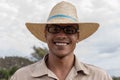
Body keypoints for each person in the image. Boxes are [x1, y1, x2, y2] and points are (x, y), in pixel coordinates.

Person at [10, 1, 112, 80]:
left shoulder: (99, 76)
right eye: (55, 29)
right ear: (45, 34)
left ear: (78, 36)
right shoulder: (21, 76)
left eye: (69, 30)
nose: (61, 35)